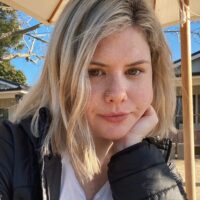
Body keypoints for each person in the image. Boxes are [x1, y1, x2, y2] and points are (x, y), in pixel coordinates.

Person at [0, 0, 188, 199]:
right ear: (61, 75)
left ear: (154, 76)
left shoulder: (157, 165)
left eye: (134, 71)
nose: (117, 94)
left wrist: (133, 157)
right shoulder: (9, 149)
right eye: (95, 72)